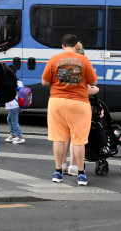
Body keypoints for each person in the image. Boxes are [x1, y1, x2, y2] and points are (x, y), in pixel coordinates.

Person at [42, 34, 98, 186]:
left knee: (59, 138)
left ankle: (58, 172)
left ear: (62, 46)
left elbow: (45, 81)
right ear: (76, 46)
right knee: (79, 140)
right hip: (79, 103)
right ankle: (80, 174)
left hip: (57, 102)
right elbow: (93, 81)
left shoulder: (54, 59)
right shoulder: (84, 60)